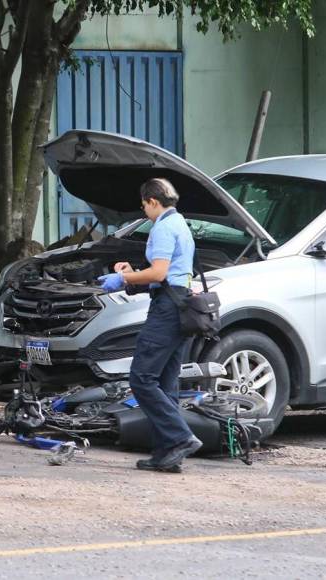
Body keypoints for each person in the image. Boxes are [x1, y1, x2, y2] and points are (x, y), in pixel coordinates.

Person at [98, 177, 201, 472]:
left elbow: (158, 273)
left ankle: (180, 437)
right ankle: (166, 454)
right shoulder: (181, 223)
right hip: (180, 304)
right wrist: (132, 275)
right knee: (166, 384)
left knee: (142, 378)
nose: (144, 211)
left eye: (144, 205)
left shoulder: (164, 227)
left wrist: (124, 278)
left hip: (168, 310)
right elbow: (168, 275)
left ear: (153, 202)